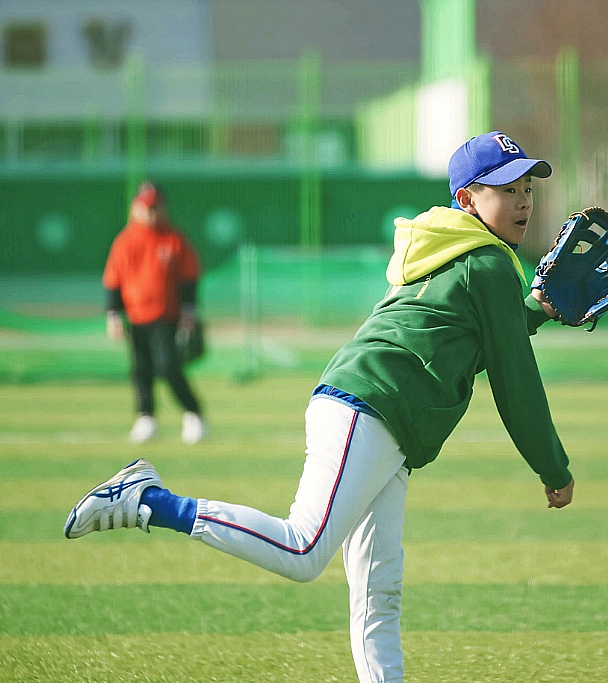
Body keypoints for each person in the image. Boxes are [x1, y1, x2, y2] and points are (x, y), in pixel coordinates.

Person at [68, 132, 573, 683]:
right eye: (507, 188)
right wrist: (553, 467)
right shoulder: (490, 264)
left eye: (527, 187)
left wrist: (534, 309)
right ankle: (149, 500)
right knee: (303, 549)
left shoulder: (449, 248)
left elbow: (465, 344)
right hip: (370, 410)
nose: (524, 200)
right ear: (468, 199)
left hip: (376, 415)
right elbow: (515, 380)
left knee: (378, 590)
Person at [102, 181, 206, 444]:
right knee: (141, 370)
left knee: (168, 367)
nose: (151, 213)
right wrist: (113, 315)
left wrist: (188, 310)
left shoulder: (174, 239)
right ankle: (145, 417)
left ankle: (193, 413)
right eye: (146, 207)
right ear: (135, 208)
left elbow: (188, 277)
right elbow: (113, 280)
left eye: (155, 207)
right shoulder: (125, 241)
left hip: (167, 317)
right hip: (136, 318)